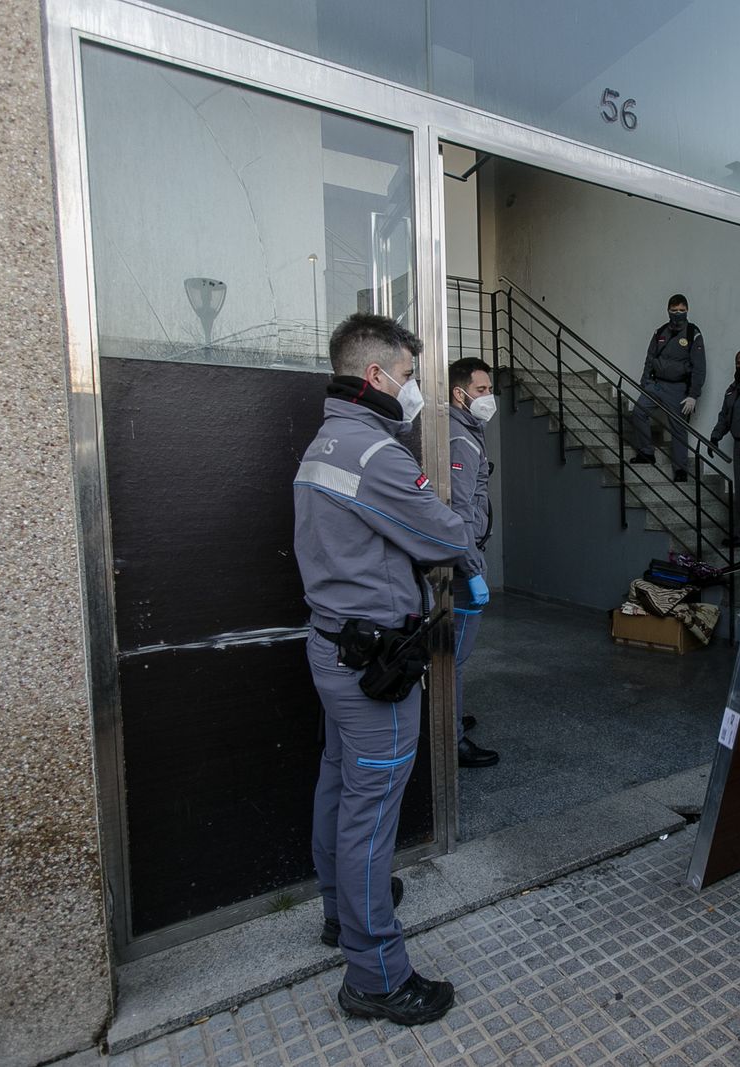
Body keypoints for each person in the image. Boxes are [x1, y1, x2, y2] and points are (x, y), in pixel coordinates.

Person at [293, 313, 467, 1026]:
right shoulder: (374, 453)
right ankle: (375, 975)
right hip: (376, 668)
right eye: (405, 372)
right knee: (371, 818)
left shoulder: (325, 439)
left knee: (339, 782)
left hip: (331, 647)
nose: (413, 386)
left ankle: (341, 911)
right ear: (374, 376)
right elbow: (446, 533)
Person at [447, 356, 499, 769]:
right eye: (481, 390)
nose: (489, 398)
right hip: (463, 563)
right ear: (459, 393)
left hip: (465, 554)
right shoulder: (460, 439)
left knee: (453, 655)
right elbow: (460, 511)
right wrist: (473, 569)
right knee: (455, 656)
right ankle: (452, 738)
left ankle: (450, 714)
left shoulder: (467, 430)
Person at [629, 293, 705, 482]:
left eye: (681, 310)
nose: (678, 313)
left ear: (687, 310)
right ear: (668, 311)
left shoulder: (693, 334)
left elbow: (699, 367)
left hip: (678, 388)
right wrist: (645, 384)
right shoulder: (660, 332)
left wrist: (693, 395)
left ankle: (680, 469)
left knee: (678, 428)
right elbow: (650, 358)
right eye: (674, 310)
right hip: (656, 385)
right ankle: (646, 453)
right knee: (638, 412)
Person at [710, 348, 740, 548]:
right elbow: (725, 416)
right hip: (738, 445)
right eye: (739, 363)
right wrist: (715, 436)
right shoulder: (732, 390)